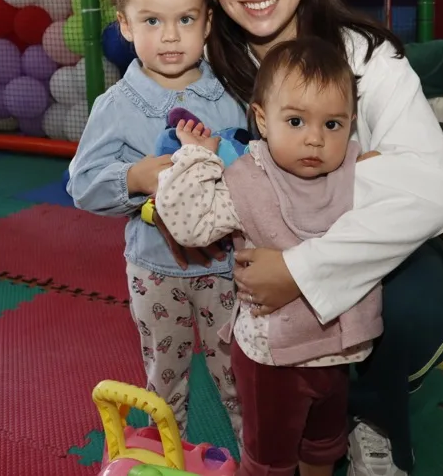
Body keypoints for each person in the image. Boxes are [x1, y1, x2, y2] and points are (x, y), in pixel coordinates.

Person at [167, 0, 443, 476]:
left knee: (405, 308)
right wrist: (150, 175)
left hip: (355, 250)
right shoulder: (202, 69)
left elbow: (435, 190)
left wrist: (300, 270)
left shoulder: (366, 57)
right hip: (246, 261)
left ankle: (371, 417)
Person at [157, 38, 384, 476]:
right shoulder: (248, 179)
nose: (315, 138)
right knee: (270, 461)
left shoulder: (356, 170)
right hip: (272, 359)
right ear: (262, 119)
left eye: (333, 124)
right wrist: (196, 159)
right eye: (296, 121)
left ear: (350, 124)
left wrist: (382, 174)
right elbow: (190, 225)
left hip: (336, 351)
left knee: (323, 446)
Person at [67, 0, 246, 440]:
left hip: (226, 270)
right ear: (124, 25)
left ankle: (259, 459)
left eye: (185, 19)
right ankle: (168, 458)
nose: (170, 36)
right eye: (151, 21)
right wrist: (134, 177)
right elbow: (82, 183)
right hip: (154, 272)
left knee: (239, 377)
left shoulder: (231, 95)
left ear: (208, 22)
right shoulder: (116, 106)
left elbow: (255, 166)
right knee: (165, 381)